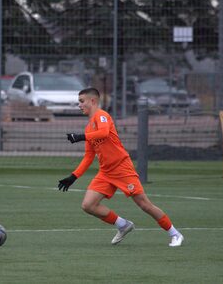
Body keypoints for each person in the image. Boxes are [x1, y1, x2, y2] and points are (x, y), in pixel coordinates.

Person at [58, 87, 184, 247]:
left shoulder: (102, 116)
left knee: (144, 204)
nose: (79, 105)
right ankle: (123, 225)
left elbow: (103, 133)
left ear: (93, 101)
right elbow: (89, 157)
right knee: (88, 205)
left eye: (81, 101)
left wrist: (80, 137)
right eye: (79, 102)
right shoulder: (89, 127)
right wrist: (73, 177)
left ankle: (175, 233)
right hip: (105, 172)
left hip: (122, 168)